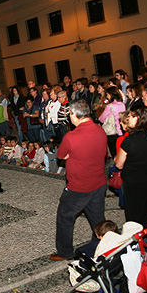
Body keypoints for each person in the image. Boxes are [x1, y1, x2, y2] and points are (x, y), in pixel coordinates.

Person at [51, 99, 107, 261]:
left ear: (75, 115)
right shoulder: (100, 130)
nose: (69, 117)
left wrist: (71, 156)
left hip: (78, 186)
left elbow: (61, 155)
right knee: (97, 219)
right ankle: (102, 247)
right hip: (98, 182)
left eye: (69, 114)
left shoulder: (71, 136)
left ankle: (65, 251)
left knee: (65, 217)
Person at [114, 106, 147, 227]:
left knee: (135, 218)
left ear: (138, 119)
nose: (128, 118)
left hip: (135, 183)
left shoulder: (129, 141)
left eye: (131, 116)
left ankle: (137, 242)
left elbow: (119, 164)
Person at [99, 87, 126, 157]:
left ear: (111, 95)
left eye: (107, 94)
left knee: (114, 151)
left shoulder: (109, 106)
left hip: (112, 131)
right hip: (121, 130)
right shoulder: (122, 104)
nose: (107, 96)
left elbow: (101, 118)